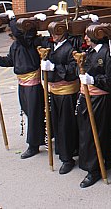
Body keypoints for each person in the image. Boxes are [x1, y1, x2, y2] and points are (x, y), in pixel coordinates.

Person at [0, 14, 44, 159]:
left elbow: (20, 34)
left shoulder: (28, 42)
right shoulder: (16, 45)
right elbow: (9, 61)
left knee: (33, 115)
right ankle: (41, 136)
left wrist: (11, 19)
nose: (10, 37)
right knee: (28, 112)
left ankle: (33, 145)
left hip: (33, 84)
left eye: (10, 34)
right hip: (22, 84)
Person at [76, 29, 111, 188]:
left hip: (100, 99)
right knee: (87, 133)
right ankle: (100, 162)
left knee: (95, 134)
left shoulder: (107, 53)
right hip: (87, 96)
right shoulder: (88, 51)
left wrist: (93, 80)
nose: (86, 38)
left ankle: (94, 169)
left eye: (89, 35)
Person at [36, 29, 81, 175]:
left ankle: (67, 158)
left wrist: (55, 67)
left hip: (66, 93)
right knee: (56, 124)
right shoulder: (52, 47)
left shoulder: (69, 48)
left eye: (56, 33)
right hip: (53, 91)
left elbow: (74, 69)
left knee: (65, 126)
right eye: (51, 33)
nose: (53, 36)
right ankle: (63, 152)